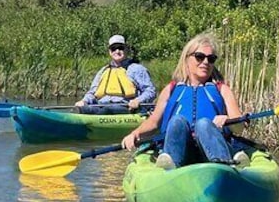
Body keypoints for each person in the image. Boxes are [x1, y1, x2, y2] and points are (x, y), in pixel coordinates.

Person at [121, 32, 248, 168]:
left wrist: (227, 120)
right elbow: (153, 122)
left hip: (210, 150)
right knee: (177, 121)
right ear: (187, 59)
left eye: (211, 59)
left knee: (204, 124)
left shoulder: (222, 89)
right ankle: (170, 165)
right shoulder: (171, 89)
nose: (205, 62)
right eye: (199, 57)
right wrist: (135, 133)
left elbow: (239, 127)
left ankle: (224, 165)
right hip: (181, 150)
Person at [74, 34, 156, 115]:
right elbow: (92, 93)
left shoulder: (136, 69)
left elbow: (150, 91)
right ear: (110, 52)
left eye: (120, 48)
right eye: (113, 49)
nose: (117, 51)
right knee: (83, 108)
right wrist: (84, 101)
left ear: (126, 49)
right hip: (101, 106)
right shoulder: (103, 71)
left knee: (109, 109)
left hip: (124, 107)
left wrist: (138, 100)